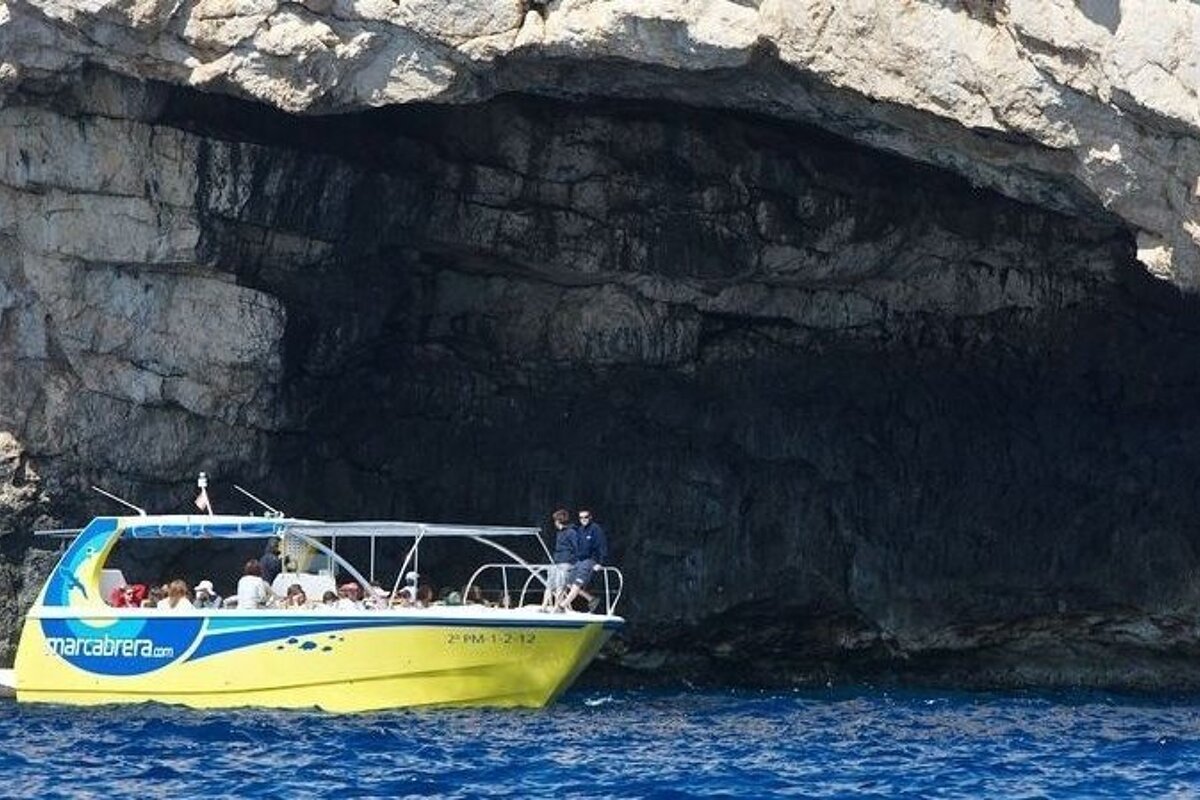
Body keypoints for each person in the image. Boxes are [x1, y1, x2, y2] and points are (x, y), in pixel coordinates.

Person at [558, 507, 609, 612]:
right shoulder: (579, 530)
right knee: (568, 583)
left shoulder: (595, 529)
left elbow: (602, 546)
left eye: (586, 517)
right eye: (581, 517)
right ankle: (591, 599)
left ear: (590, 517)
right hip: (579, 561)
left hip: (590, 560)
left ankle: (562, 606)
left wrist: (600, 563)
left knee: (577, 583)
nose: (583, 519)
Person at [542, 508, 577, 611]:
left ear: (558, 521)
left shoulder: (571, 532)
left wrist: (573, 562)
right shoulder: (559, 533)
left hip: (565, 563)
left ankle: (557, 607)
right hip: (556, 562)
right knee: (549, 585)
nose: (554, 523)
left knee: (560, 586)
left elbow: (576, 548)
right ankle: (544, 606)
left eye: (555, 521)